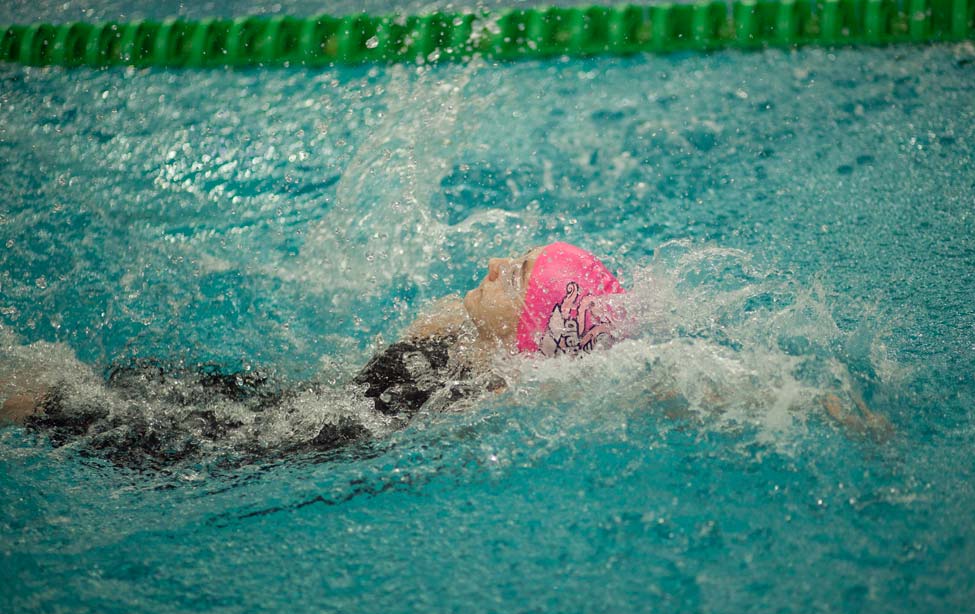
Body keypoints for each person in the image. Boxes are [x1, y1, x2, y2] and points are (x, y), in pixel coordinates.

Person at [0, 242, 628, 467]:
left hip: (290, 446)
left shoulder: (486, 393)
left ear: (530, 327)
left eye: (515, 275)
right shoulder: (463, 346)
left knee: (78, 414)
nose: (494, 263)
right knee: (143, 378)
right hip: (301, 406)